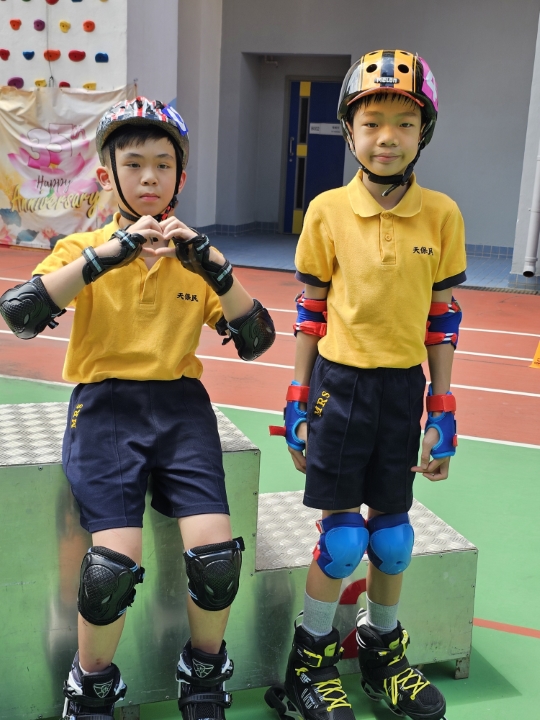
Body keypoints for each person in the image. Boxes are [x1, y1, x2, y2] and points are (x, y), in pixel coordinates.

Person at [0, 96, 276, 720]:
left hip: (181, 409)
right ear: (107, 175)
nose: (149, 177)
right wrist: (108, 256)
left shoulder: (192, 257)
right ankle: (91, 686)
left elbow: (257, 338)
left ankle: (202, 671)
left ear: (181, 177)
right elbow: (19, 312)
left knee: (216, 560)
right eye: (133, 164)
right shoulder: (85, 246)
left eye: (162, 165)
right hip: (106, 408)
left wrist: (214, 266)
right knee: (111, 568)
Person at [267, 50, 465, 720]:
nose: (387, 137)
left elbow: (441, 320)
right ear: (349, 132)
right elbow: (311, 311)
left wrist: (442, 410)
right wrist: (297, 397)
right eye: (372, 122)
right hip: (339, 388)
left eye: (404, 123)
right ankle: (308, 665)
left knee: (394, 538)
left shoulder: (442, 215)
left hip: (401, 391)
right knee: (344, 540)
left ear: (423, 133)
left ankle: (382, 656)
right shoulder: (327, 211)